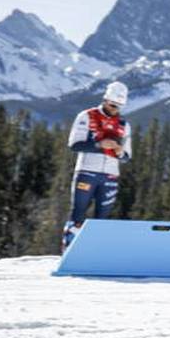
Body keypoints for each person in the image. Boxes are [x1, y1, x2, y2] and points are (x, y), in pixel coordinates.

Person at [63, 82, 132, 250]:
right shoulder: (86, 116)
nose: (115, 109)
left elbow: (127, 156)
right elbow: (74, 145)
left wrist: (119, 151)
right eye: (112, 104)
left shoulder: (124, 125)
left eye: (119, 106)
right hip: (87, 171)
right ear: (105, 99)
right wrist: (99, 145)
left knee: (102, 219)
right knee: (78, 214)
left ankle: (93, 252)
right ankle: (69, 251)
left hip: (110, 175)